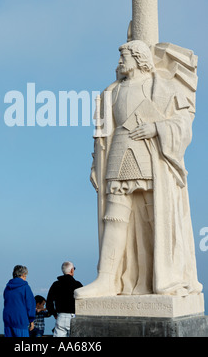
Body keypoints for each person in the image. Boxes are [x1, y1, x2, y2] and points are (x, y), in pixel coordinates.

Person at [75, 40, 203, 299]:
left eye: (125, 57)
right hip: (117, 153)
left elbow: (182, 122)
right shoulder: (110, 92)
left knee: (155, 216)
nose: (120, 62)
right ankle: (107, 278)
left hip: (150, 156)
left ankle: (160, 275)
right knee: (114, 216)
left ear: (139, 58)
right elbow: (100, 136)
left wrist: (157, 128)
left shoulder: (163, 87)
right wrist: (94, 165)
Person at [46, 261, 82, 337]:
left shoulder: (56, 284)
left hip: (60, 316)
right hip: (73, 316)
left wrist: (54, 313)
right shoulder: (77, 284)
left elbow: (49, 301)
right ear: (72, 270)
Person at [3, 264, 36, 337]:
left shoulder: (7, 287)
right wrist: (31, 320)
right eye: (26, 276)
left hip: (8, 319)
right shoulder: (25, 287)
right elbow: (30, 304)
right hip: (20, 319)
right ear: (23, 275)